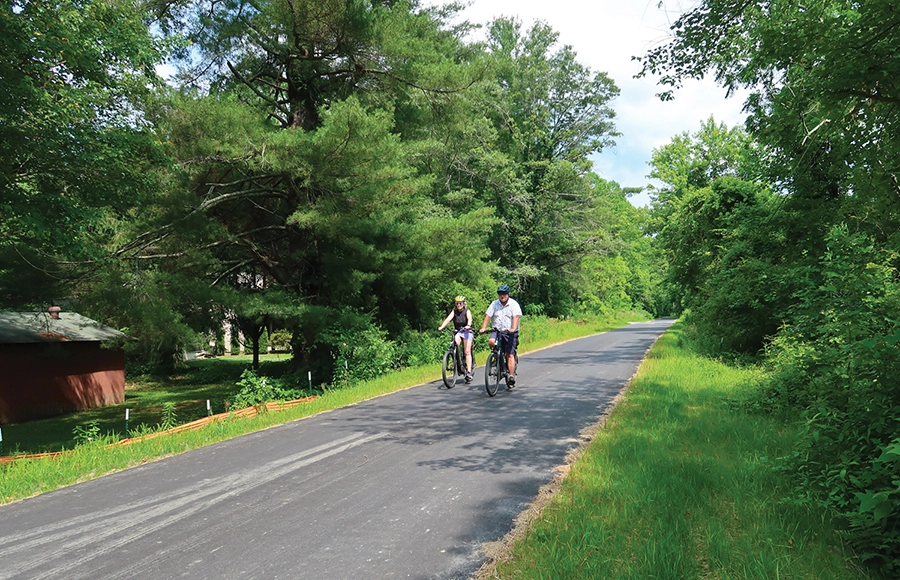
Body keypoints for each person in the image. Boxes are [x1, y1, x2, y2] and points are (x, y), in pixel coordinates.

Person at [479, 284, 522, 388]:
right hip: (497, 331)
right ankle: (496, 356)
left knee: (509, 355)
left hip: (509, 332)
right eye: (500, 294)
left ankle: (511, 375)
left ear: (508, 294)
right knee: (491, 341)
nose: (501, 296)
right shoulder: (494, 304)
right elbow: (488, 316)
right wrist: (483, 328)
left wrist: (513, 328)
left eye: (503, 294)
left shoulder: (513, 304)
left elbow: (516, 317)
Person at [438, 295, 475, 382]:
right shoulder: (454, 312)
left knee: (467, 351)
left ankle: (469, 372)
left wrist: (468, 325)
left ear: (464, 304)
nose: (458, 305)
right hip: (458, 331)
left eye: (460, 303)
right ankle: (457, 362)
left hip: (467, 331)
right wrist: (442, 326)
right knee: (455, 343)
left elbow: (470, 319)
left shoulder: (467, 311)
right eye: (457, 303)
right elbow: (448, 320)